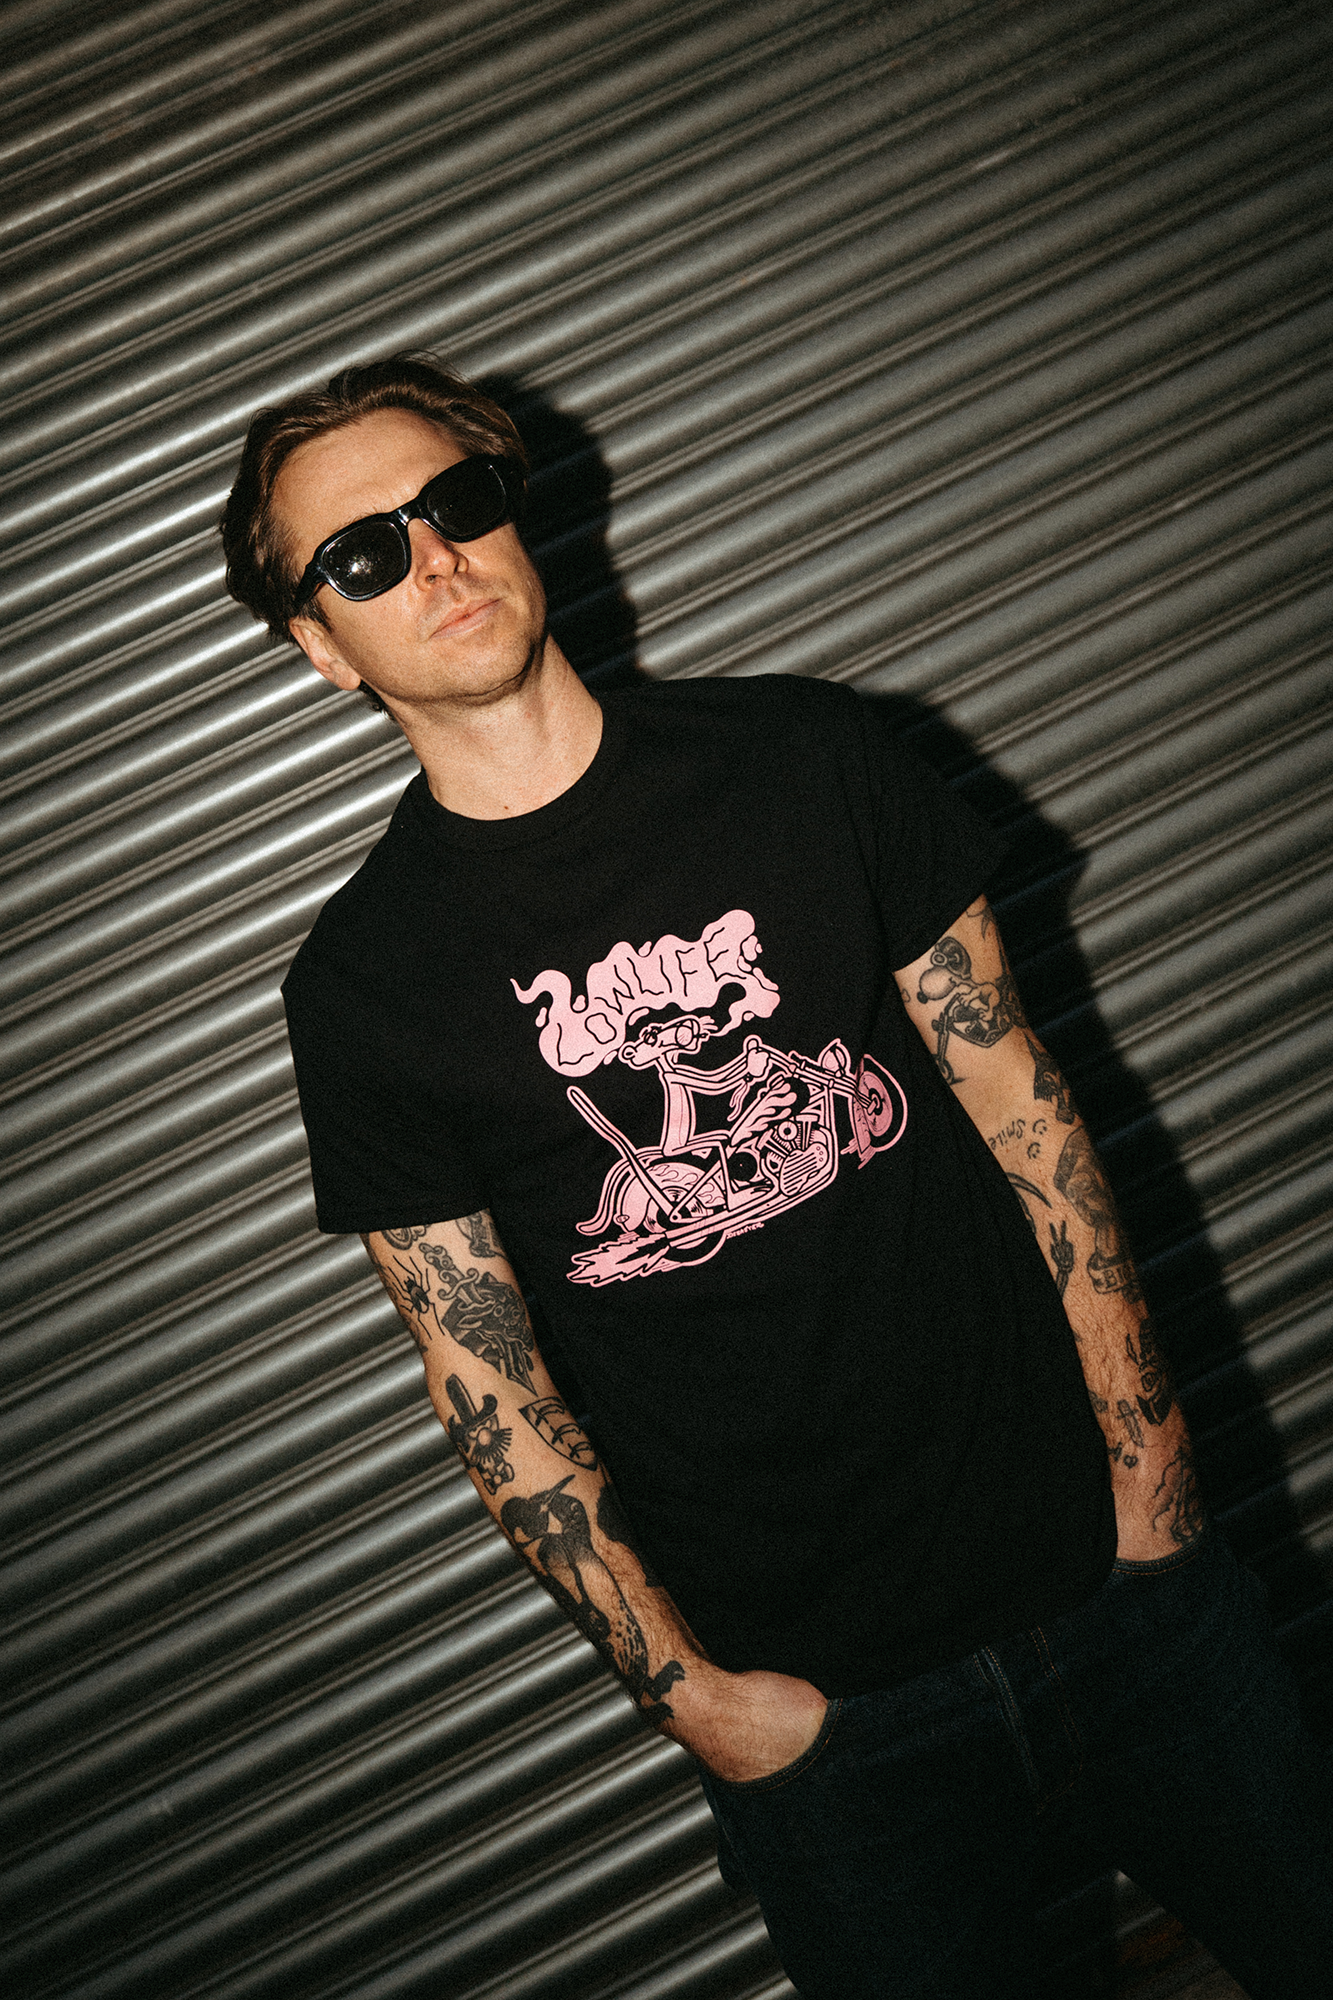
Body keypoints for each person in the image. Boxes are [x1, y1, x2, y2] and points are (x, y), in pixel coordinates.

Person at [221, 353, 1331, 1998]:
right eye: (365, 555)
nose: (434, 559)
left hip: (1124, 1593)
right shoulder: (367, 988)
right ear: (321, 645)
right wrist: (698, 1701)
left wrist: (1151, 1476)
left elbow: (1027, 1109)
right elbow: (483, 1375)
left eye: (453, 504)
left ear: (516, 514)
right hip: (833, 1737)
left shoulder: (814, 756)